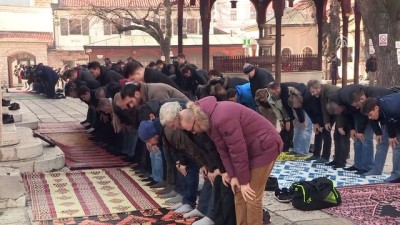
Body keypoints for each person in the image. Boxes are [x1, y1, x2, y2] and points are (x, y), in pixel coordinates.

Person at [178, 96, 282, 225]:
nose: (194, 133)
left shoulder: (221, 118)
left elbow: (237, 150)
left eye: (192, 129)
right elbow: (223, 150)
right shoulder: (208, 119)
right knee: (238, 191)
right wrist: (231, 174)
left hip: (265, 147)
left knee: (251, 195)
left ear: (196, 119)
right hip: (250, 149)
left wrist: (243, 181)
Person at [362, 93, 400, 183]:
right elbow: (373, 119)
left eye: (370, 114)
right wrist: (378, 133)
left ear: (376, 108)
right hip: (390, 118)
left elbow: (393, 120)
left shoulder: (391, 108)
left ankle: (397, 175)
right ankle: (377, 169)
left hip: (397, 118)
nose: (369, 117)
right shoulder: (374, 104)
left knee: (396, 146)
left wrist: (392, 136)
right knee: (381, 142)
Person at [119, 83, 188, 109]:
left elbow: (167, 111)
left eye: (131, 102)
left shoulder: (155, 92)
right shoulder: (146, 94)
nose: (131, 105)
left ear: (137, 94)